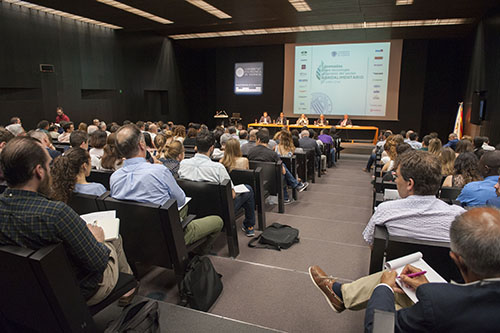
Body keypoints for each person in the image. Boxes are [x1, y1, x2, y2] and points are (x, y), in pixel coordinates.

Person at [309, 206, 500, 332]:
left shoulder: (440, 304)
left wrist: (383, 288)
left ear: (457, 260)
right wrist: (427, 289)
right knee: (402, 284)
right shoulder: (439, 298)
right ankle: (343, 295)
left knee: (392, 285)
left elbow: (379, 329)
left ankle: (343, 295)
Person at [0, 137, 135, 305]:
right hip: (77, 290)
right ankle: (129, 287)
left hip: (23, 292)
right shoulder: (56, 214)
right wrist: (98, 239)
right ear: (39, 171)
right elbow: (98, 262)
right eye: (49, 166)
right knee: (112, 238)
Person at [110, 125, 223, 253]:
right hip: (168, 236)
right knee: (217, 221)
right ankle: (199, 256)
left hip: (136, 236)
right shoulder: (159, 171)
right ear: (142, 145)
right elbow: (180, 200)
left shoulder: (115, 177)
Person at [362, 150, 465, 245]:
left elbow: (372, 243)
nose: (396, 181)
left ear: (410, 183)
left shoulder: (385, 210)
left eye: (397, 176)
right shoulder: (459, 216)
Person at [179, 131, 256, 237]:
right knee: (248, 189)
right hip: (218, 211)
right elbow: (232, 195)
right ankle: (249, 226)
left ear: (196, 147)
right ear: (211, 148)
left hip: (193, 209)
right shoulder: (217, 168)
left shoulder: (183, 164)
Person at [248, 129, 308, 204]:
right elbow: (283, 171)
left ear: (258, 140)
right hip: (271, 179)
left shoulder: (250, 152)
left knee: (282, 168)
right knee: (282, 170)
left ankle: (295, 186)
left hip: (254, 177)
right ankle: (291, 190)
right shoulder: (272, 154)